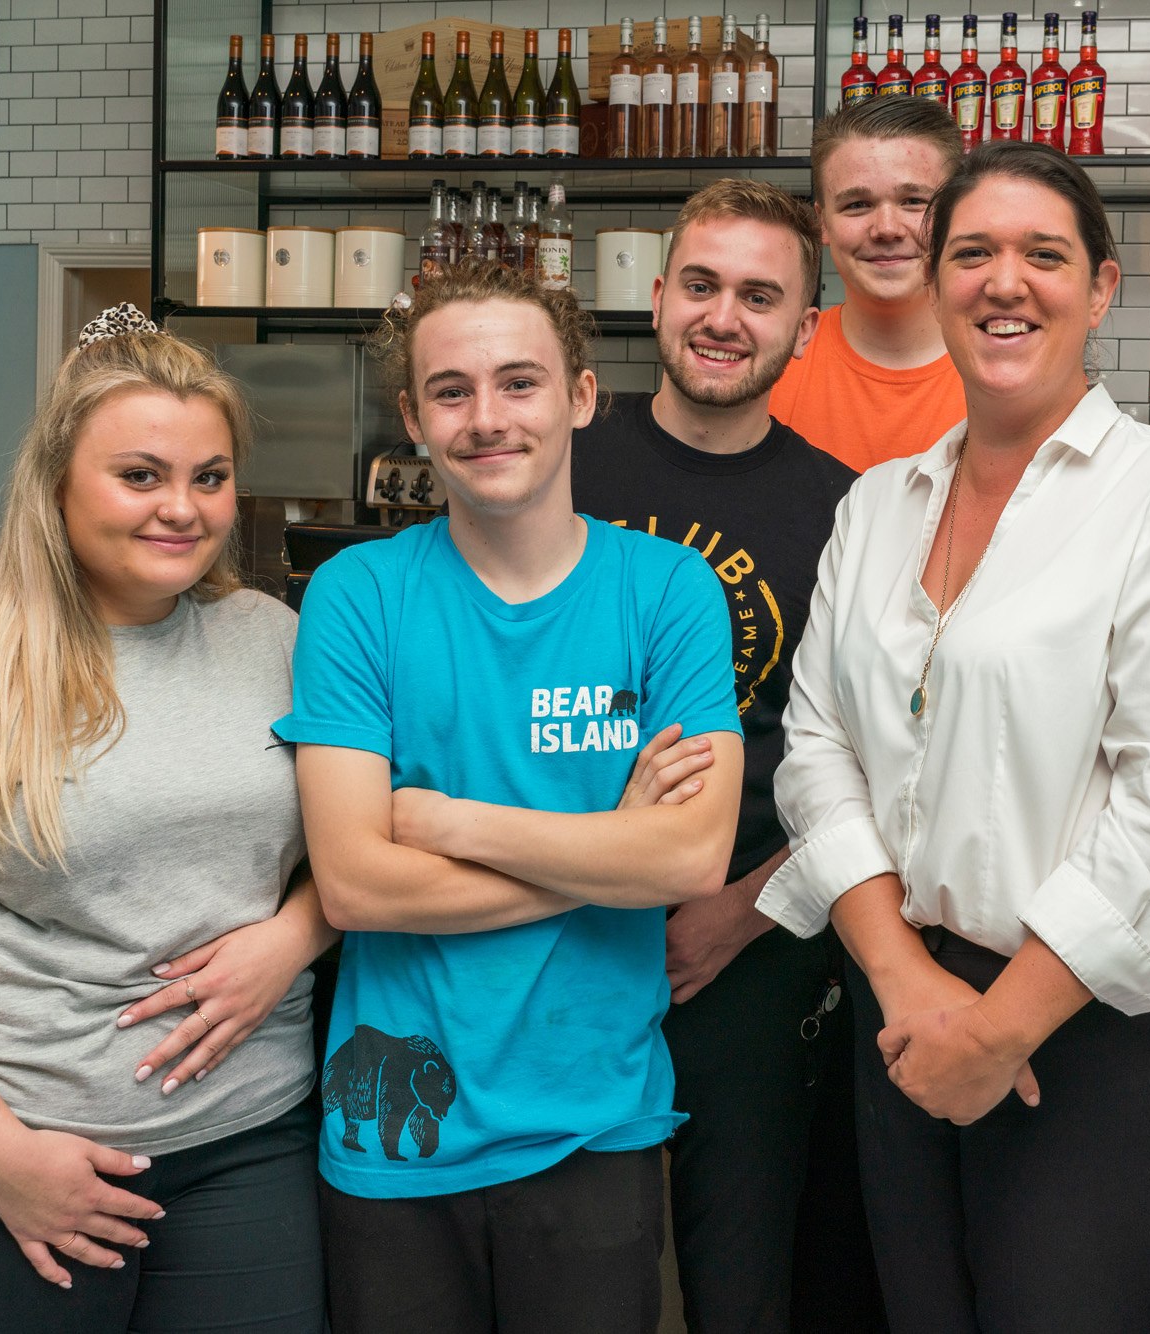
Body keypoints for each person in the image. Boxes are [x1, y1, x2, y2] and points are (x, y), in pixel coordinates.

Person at [759, 141, 1150, 1331]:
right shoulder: (876, 503)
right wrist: (905, 979)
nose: (1004, 282)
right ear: (933, 283)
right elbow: (815, 744)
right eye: (973, 253)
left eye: (1042, 254)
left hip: (1099, 1026)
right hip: (910, 1002)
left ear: (1098, 288)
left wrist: (997, 1028)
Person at [0, 307, 336, 1331]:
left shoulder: (275, 637)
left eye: (208, 477)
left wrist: (294, 935)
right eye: (140, 475)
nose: (182, 507)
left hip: (246, 1145)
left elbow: (359, 841)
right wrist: (2, 1155)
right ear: (55, 483)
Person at [278, 260, 745, 1334]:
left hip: (595, 1119)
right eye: (451, 390)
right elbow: (352, 881)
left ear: (581, 396)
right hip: (394, 1139)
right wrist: (607, 848)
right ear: (413, 416)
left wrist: (447, 821)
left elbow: (686, 861)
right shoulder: (360, 593)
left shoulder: (666, 590)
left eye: (519, 383)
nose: (487, 418)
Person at [570, 179, 883, 1332]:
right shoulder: (557, 469)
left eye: (760, 296)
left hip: (746, 958)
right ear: (653, 300)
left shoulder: (845, 512)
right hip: (549, 939)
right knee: (569, 1273)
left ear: (805, 328)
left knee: (739, 1285)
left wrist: (745, 909)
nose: (722, 316)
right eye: (700, 285)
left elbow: (874, 754)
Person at [769, 95, 968, 473]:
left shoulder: (1003, 373)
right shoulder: (771, 364)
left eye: (913, 201)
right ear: (822, 222)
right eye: (857, 205)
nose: (886, 229)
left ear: (955, 213)